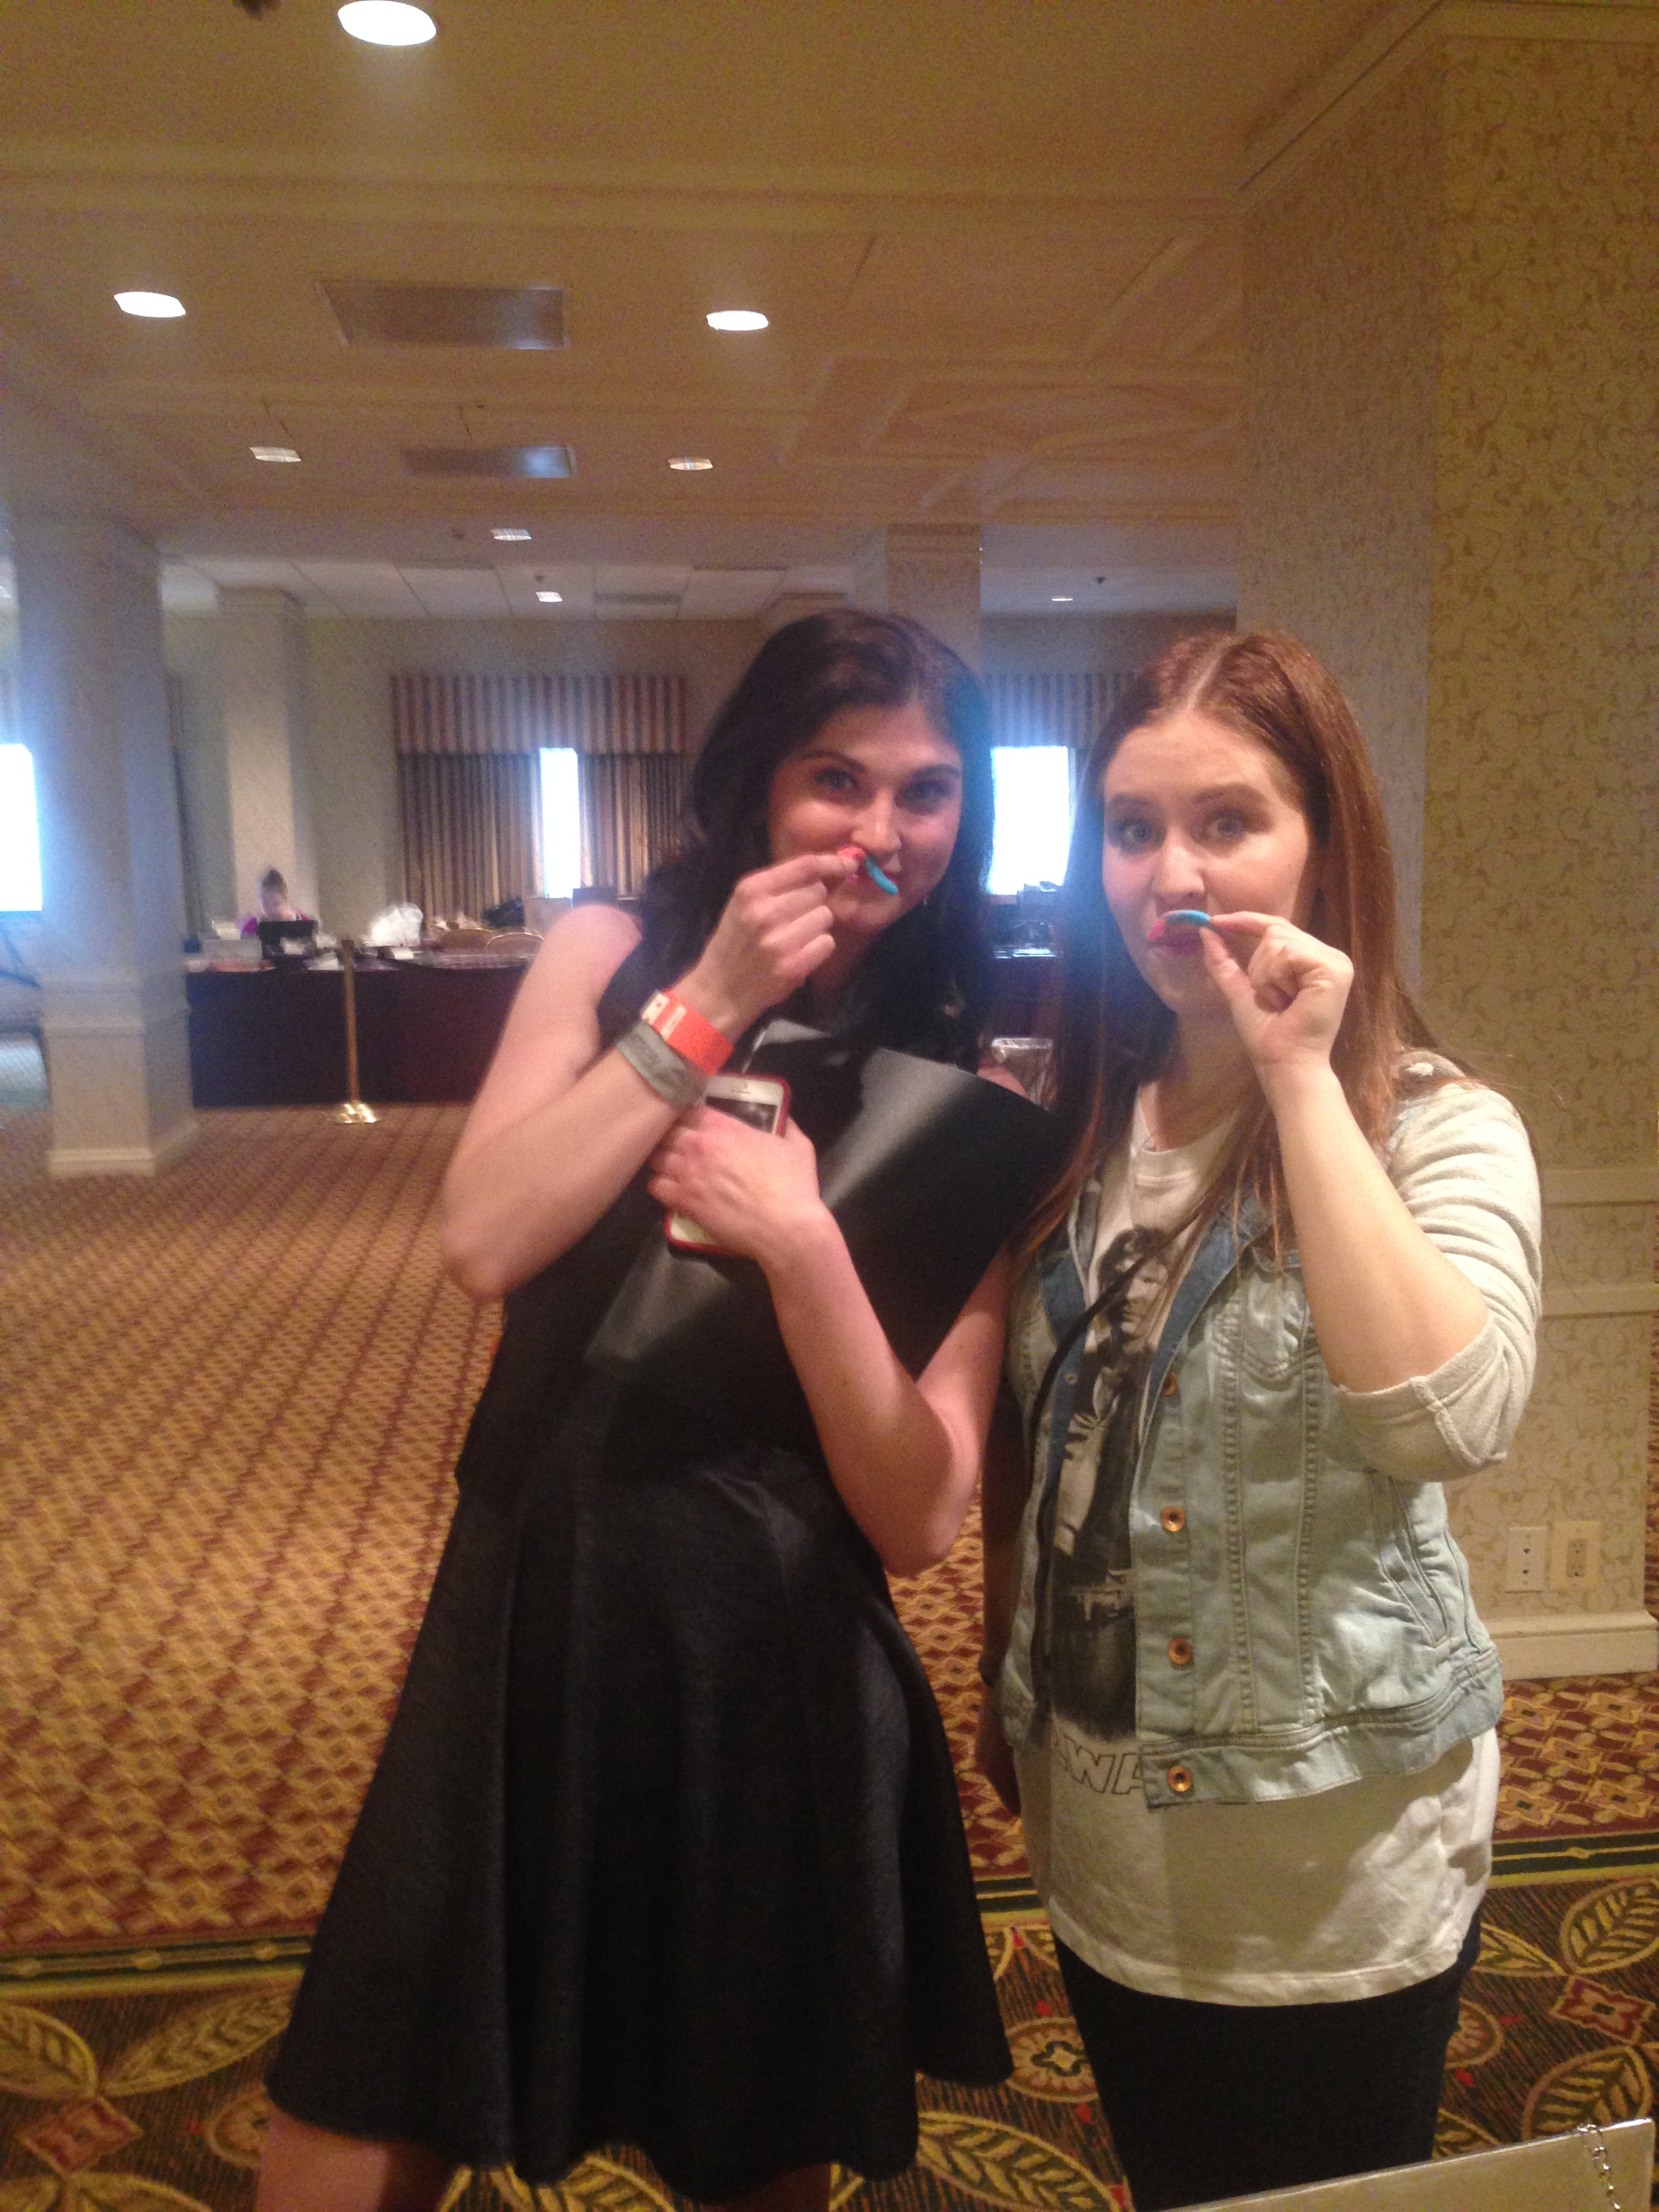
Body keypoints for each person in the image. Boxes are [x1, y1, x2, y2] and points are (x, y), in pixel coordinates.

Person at [258, 612, 1015, 2212]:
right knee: (366, 2081)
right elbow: (485, 1240)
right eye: (836, 778)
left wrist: (801, 1245)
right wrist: (707, 1004)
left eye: (926, 790)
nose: (879, 829)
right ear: (757, 783)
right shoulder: (608, 951)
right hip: (535, 1580)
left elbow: (920, 1515)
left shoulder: (965, 1088)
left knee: (747, 2124)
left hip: (770, 1637)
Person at [976, 631, 1541, 2211]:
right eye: (1132, 827)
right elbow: (1038, 1454)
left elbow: (1445, 1416)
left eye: (1227, 821)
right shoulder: (1078, 1132)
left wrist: (1298, 1080)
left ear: (1323, 847)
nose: (1173, 872)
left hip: (1332, 1874)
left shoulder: (1435, 1128)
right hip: (1106, 1846)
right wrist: (1005, 1685)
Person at [241, 867, 304, 935]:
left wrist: (293, 925)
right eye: (266, 904)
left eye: (276, 903)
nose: (271, 910)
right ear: (259, 902)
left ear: (284, 901)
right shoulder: (250, 928)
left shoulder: (302, 923)